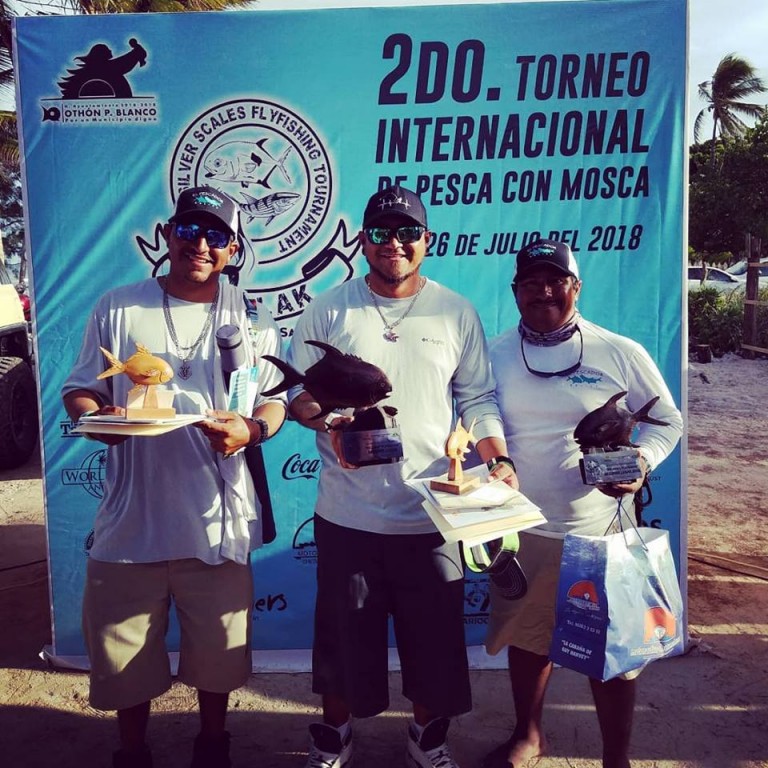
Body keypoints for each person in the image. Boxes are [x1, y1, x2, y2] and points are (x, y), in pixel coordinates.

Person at [285, 185, 516, 768]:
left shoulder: (455, 311)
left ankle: (426, 740)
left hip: (432, 512)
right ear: (363, 241)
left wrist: (498, 460)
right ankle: (334, 737)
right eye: (382, 232)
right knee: (343, 639)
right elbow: (298, 398)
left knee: (434, 643)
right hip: (348, 513)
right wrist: (329, 421)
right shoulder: (328, 308)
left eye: (408, 232)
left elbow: (478, 398)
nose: (395, 243)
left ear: (426, 240)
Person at [62, 185, 287, 768]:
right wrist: (99, 420)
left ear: (233, 249)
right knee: (123, 664)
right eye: (189, 230)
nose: (201, 244)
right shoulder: (118, 306)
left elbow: (275, 401)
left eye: (216, 235)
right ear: (168, 234)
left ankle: (212, 746)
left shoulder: (251, 317)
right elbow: (80, 389)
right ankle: (132, 751)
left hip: (218, 522)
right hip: (130, 523)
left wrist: (252, 431)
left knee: (219, 660)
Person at [483, 239, 684, 768]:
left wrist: (640, 462)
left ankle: (616, 756)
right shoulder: (494, 353)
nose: (544, 292)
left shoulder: (618, 351)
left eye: (556, 281)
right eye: (531, 283)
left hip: (603, 532)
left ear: (577, 287)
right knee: (528, 641)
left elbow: (668, 421)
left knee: (613, 652)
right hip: (523, 527)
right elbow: (478, 419)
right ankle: (529, 736)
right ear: (515, 291)